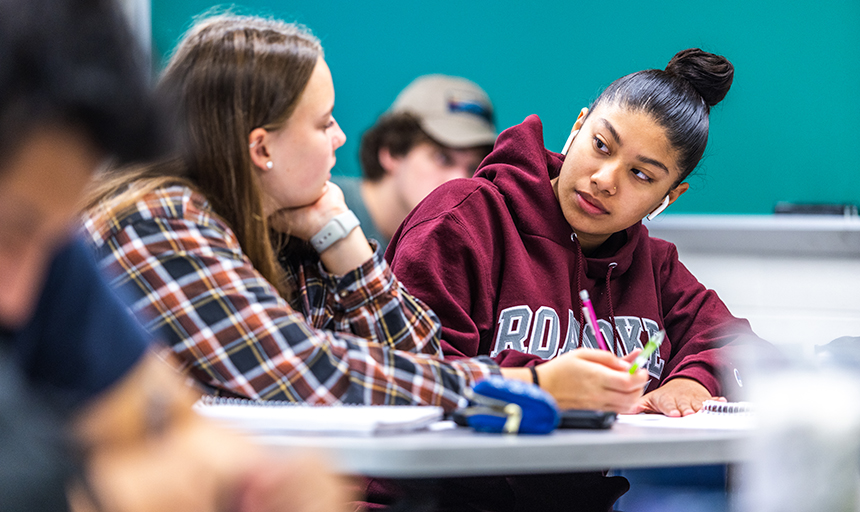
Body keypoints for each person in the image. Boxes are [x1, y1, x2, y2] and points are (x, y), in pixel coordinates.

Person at [81, 14, 647, 420]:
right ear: (261, 149)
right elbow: (308, 374)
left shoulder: (290, 224)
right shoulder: (159, 226)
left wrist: (343, 240)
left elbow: (419, 358)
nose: (340, 137)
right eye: (324, 122)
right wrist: (532, 384)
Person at [386, 49, 776, 510]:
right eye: (601, 145)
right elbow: (405, 377)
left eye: (640, 174)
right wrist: (545, 383)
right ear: (577, 128)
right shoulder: (463, 219)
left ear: (669, 196)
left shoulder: (652, 265)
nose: (605, 179)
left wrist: (693, 381)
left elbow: (736, 345)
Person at [0, 0, 349, 510]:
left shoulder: (50, 254)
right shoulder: (158, 218)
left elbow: (166, 418)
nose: (19, 296)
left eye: (47, 235)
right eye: (10, 232)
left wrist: (258, 482)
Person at [333, 74, 497, 247]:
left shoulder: (456, 247)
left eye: (474, 167)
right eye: (443, 158)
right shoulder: (315, 215)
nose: (462, 180)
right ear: (393, 152)